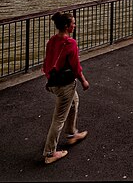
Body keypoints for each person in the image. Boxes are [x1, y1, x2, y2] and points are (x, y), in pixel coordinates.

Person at [42, 11, 90, 164]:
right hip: (64, 85)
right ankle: (50, 153)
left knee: (74, 102)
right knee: (59, 119)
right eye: (73, 23)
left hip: (53, 82)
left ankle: (71, 134)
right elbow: (76, 68)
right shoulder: (70, 43)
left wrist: (50, 78)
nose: (75, 25)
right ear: (67, 26)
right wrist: (83, 81)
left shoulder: (52, 41)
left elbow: (46, 63)